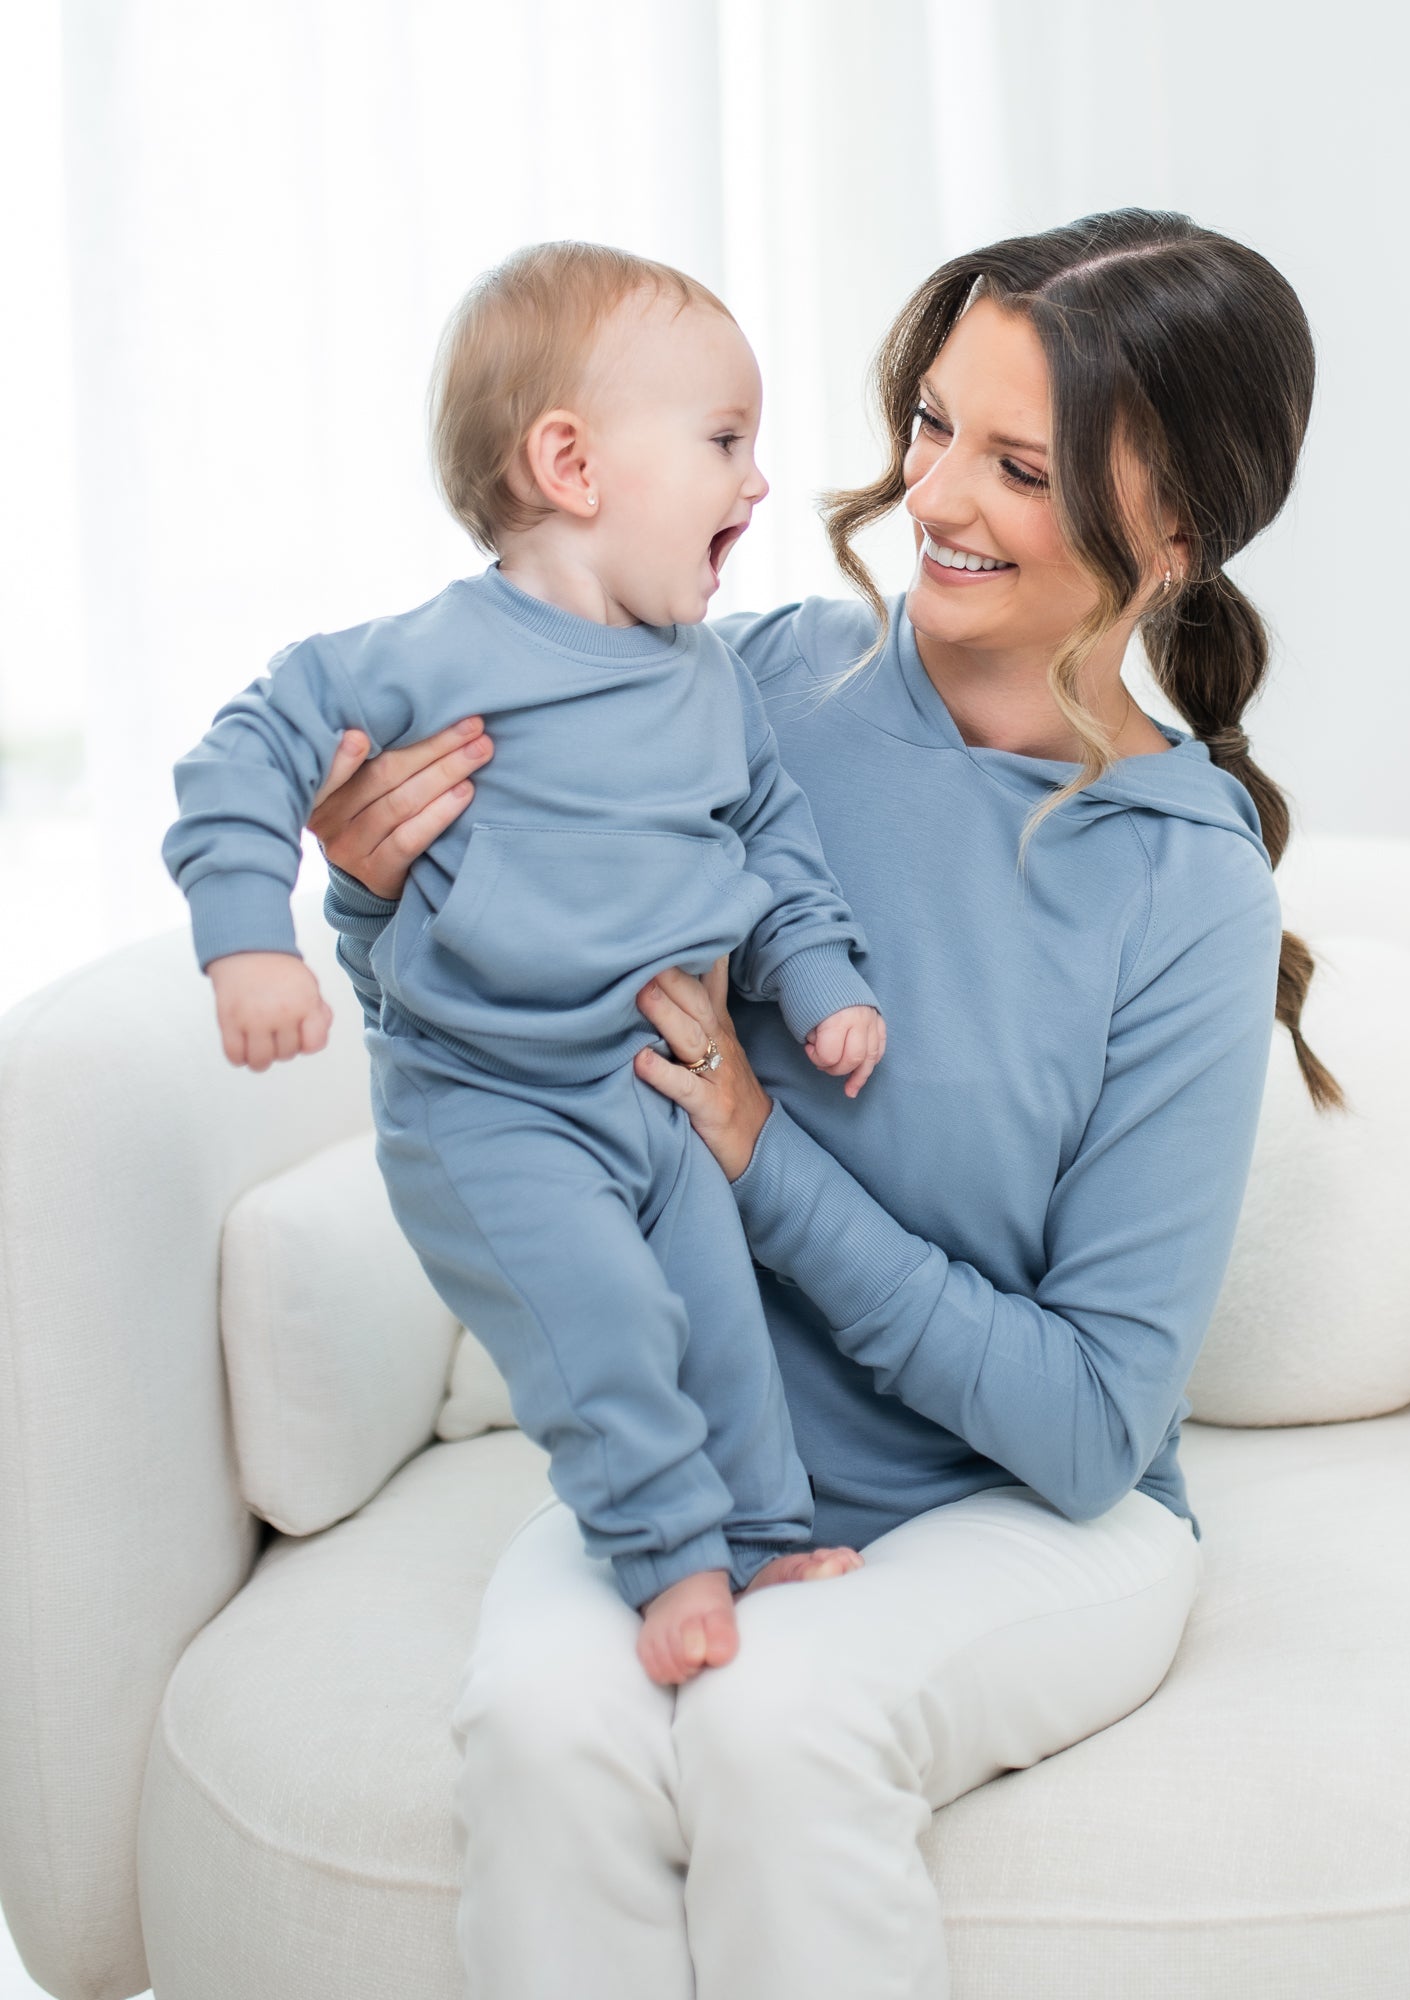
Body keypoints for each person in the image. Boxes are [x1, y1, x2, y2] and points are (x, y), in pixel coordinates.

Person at [310, 208, 1340, 1999]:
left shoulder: (1184, 885)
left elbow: (1095, 1423)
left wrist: (762, 1156)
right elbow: (503, 1010)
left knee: (776, 1729)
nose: (931, 494)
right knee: (549, 1737)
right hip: (705, 1461)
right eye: (934, 424)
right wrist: (376, 893)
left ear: (1171, 535)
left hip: (1027, 1517)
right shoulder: (745, 689)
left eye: (1017, 464)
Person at [161, 241, 887, 1689]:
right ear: (571, 462)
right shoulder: (428, 656)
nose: (758, 486)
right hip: (490, 1104)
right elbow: (242, 750)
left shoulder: (712, 680)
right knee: (607, 1327)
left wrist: (820, 980)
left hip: (651, 1092)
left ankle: (757, 1531)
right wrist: (251, 934)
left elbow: (775, 840)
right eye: (727, 443)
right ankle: (670, 1556)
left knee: (719, 1326)